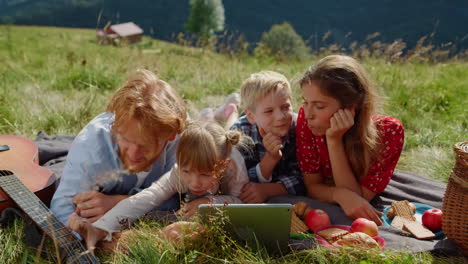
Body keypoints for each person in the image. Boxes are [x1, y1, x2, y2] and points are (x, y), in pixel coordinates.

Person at [67, 121, 249, 249]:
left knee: (226, 125)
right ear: (179, 162)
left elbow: (241, 202)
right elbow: (145, 198)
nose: (194, 183)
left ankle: (229, 113)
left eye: (205, 174)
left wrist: (211, 201)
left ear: (223, 166)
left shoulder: (235, 168)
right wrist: (101, 228)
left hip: (221, 186)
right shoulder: (178, 172)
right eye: (187, 172)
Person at [51, 69, 187, 225]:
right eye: (126, 139)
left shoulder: (179, 143)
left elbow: (178, 201)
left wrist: (117, 203)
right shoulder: (92, 144)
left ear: (169, 136)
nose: (133, 154)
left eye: (144, 146)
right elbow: (62, 208)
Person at [296, 55, 404, 224]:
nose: (308, 114)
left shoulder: (389, 133)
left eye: (319, 106)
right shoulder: (307, 119)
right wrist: (340, 195)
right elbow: (312, 187)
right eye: (306, 102)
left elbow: (358, 201)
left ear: (351, 107)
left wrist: (334, 141)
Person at [230, 70, 305, 203]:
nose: (280, 117)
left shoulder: (301, 128)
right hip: (232, 129)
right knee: (221, 132)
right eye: (269, 111)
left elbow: (305, 179)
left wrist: (268, 190)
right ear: (251, 116)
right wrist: (270, 158)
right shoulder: (240, 132)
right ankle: (229, 111)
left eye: (285, 107)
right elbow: (241, 182)